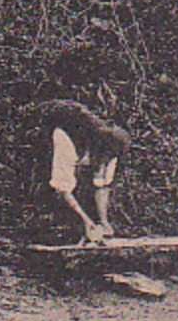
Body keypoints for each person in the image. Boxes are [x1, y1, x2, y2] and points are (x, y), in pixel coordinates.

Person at [26, 99, 130, 245]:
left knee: (88, 188)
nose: (105, 161)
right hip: (46, 129)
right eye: (103, 158)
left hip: (81, 141)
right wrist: (86, 221)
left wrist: (104, 222)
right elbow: (62, 189)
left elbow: (102, 184)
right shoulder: (66, 141)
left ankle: (87, 224)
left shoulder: (112, 146)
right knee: (49, 185)